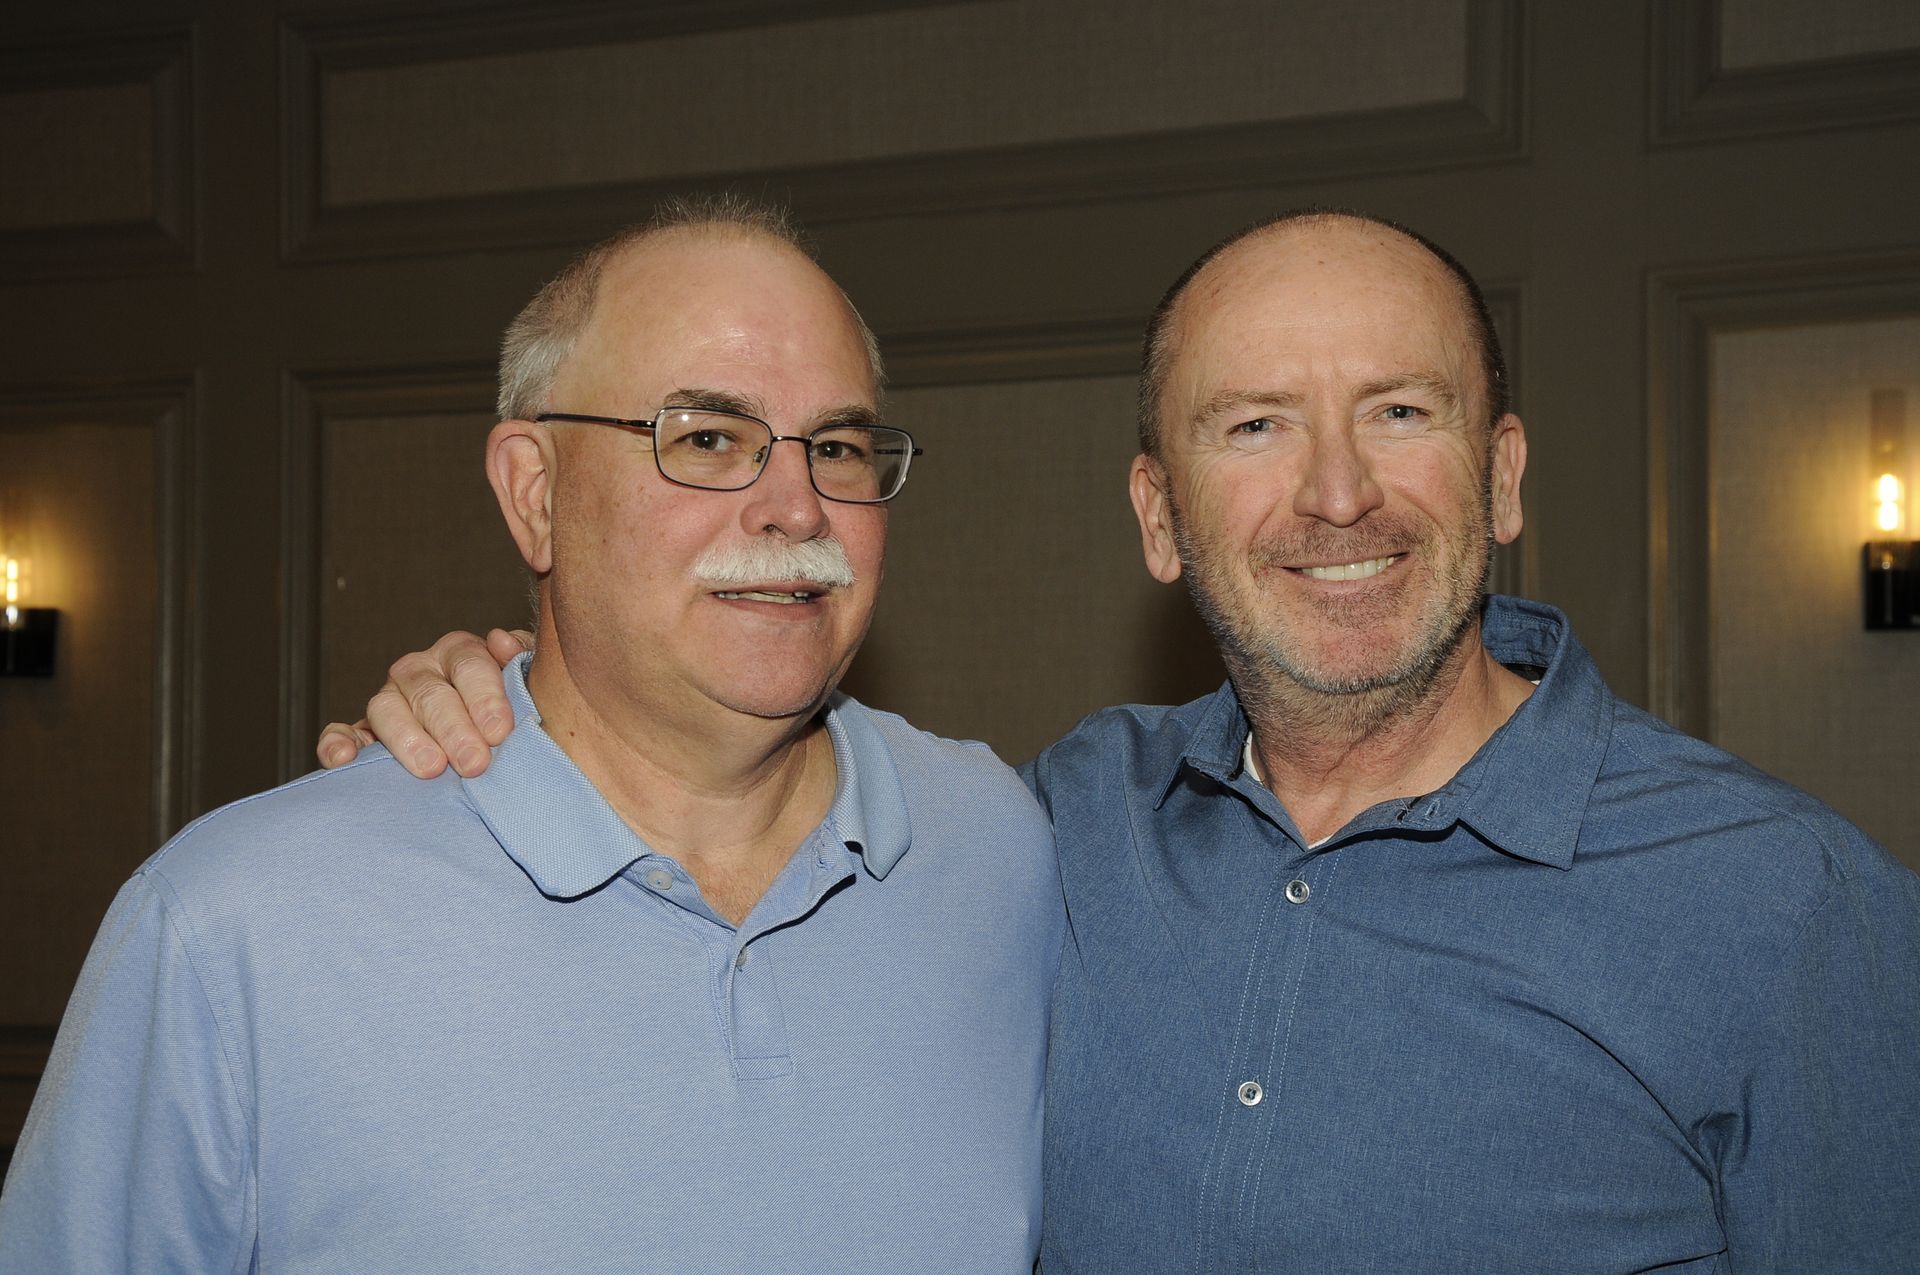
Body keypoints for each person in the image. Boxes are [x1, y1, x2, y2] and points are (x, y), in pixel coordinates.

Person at [314, 210, 1920, 1272]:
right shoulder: (1048, 827)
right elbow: (715, 778)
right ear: (1160, 517)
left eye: (1403, 411)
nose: (1339, 491)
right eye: (1252, 425)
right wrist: (514, 693)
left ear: (1503, 475)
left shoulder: (1788, 907)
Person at [0, 200, 1062, 1273]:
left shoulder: (1002, 850)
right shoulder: (236, 926)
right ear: (534, 492)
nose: (796, 507)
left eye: (836, 445)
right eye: (705, 438)